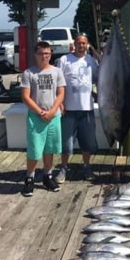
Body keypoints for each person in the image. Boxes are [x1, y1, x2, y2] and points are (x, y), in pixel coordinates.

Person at [21, 41, 66, 197]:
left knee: (50, 148)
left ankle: (47, 176)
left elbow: (61, 93)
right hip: (36, 117)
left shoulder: (57, 71)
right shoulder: (28, 73)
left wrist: (53, 110)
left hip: (54, 117)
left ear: (50, 54)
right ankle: (29, 178)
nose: (44, 56)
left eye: (47, 53)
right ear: (35, 54)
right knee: (34, 150)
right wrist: (41, 112)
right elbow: (26, 97)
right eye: (41, 53)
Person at [56, 32, 99, 182]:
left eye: (84, 43)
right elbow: (58, 83)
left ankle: (87, 167)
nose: (81, 46)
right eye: (79, 43)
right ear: (74, 44)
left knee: (87, 142)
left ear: (87, 45)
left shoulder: (91, 61)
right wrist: (60, 103)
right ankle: (63, 168)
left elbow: (99, 78)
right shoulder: (64, 60)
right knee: (66, 143)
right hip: (68, 110)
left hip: (87, 109)